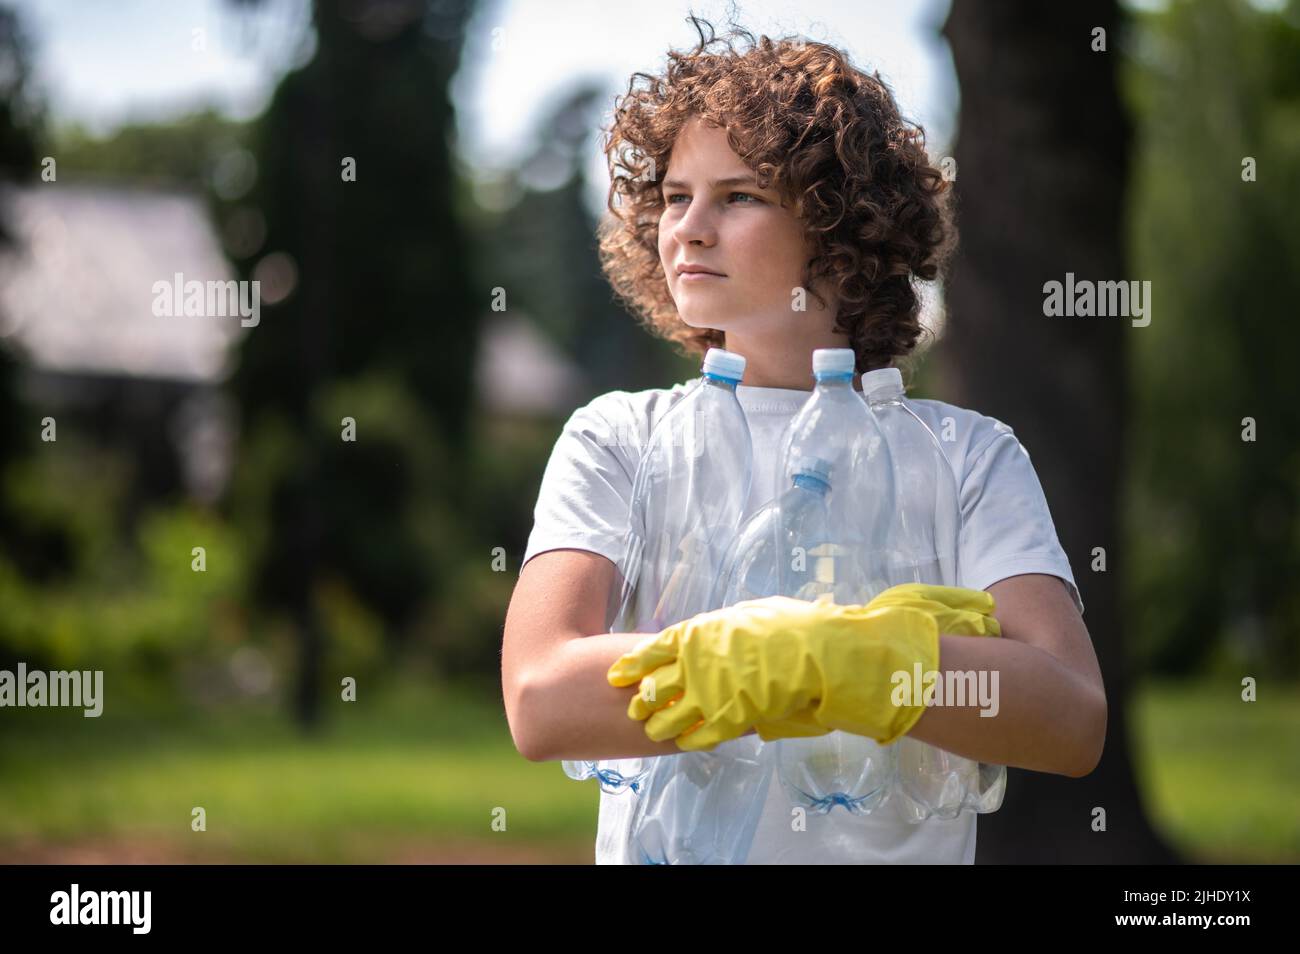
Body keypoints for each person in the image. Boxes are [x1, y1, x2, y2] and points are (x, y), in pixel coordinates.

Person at [501, 16, 1106, 864]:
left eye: (738, 196)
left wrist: (850, 664)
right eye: (676, 196)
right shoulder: (618, 441)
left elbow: (1073, 716)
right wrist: (738, 663)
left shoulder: (970, 458)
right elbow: (538, 701)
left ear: (841, 223)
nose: (689, 228)